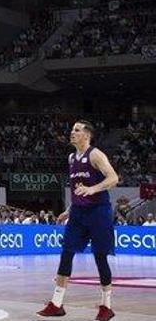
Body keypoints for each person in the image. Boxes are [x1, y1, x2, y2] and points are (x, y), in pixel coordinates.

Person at [38, 121, 119, 321]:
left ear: (87, 135)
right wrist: (68, 210)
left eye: (77, 130)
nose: (72, 132)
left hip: (99, 212)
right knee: (66, 253)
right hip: (78, 214)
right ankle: (56, 304)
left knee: (100, 257)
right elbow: (78, 190)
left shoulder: (96, 154)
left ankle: (106, 306)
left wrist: (93, 189)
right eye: (72, 130)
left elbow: (113, 178)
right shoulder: (71, 158)